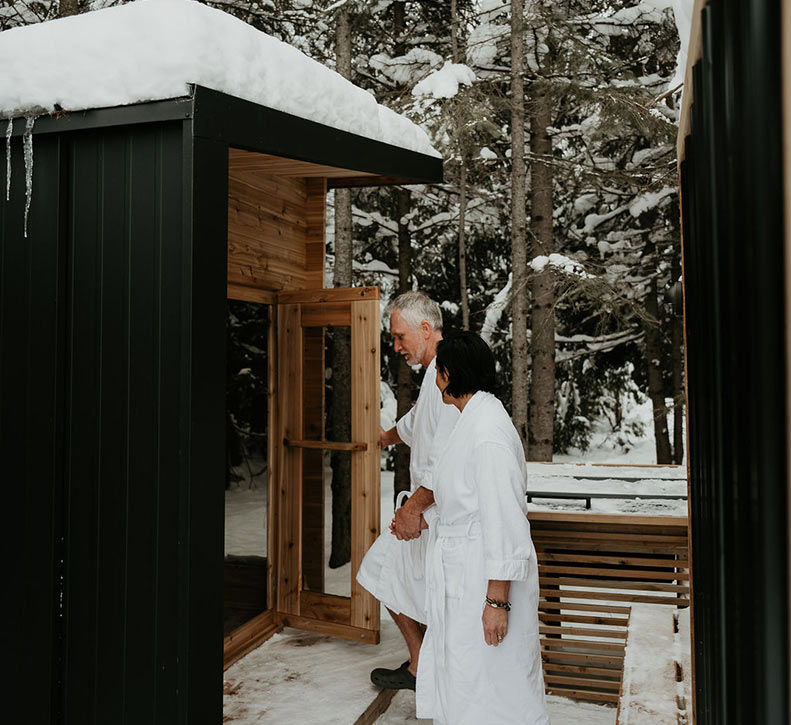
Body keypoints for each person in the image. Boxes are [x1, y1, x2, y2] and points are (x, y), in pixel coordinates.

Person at [416, 332, 549, 724]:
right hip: (465, 571)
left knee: (494, 684)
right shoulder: (472, 420)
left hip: (482, 578)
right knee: (468, 679)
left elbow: (504, 517)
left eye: (438, 370)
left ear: (449, 374)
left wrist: (497, 601)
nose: (435, 377)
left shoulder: (488, 432)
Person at [356, 291, 459, 690]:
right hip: (426, 510)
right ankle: (422, 664)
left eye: (400, 336)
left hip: (437, 514)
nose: (396, 346)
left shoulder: (449, 375)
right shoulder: (434, 375)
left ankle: (425, 668)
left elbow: (445, 460)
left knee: (384, 570)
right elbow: (416, 422)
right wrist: (385, 437)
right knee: (388, 574)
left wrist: (413, 510)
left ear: (426, 328)